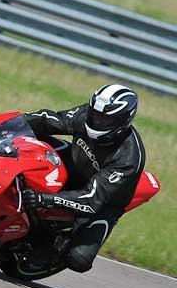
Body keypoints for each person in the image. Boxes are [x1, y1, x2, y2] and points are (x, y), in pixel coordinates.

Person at [21, 84, 145, 273]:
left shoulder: (128, 158)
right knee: (32, 139)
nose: (97, 120)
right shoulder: (87, 114)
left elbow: (91, 199)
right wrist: (2, 122)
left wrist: (44, 198)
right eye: (95, 114)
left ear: (123, 121)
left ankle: (56, 246)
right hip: (75, 164)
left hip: (102, 202)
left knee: (79, 260)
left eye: (105, 118)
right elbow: (49, 120)